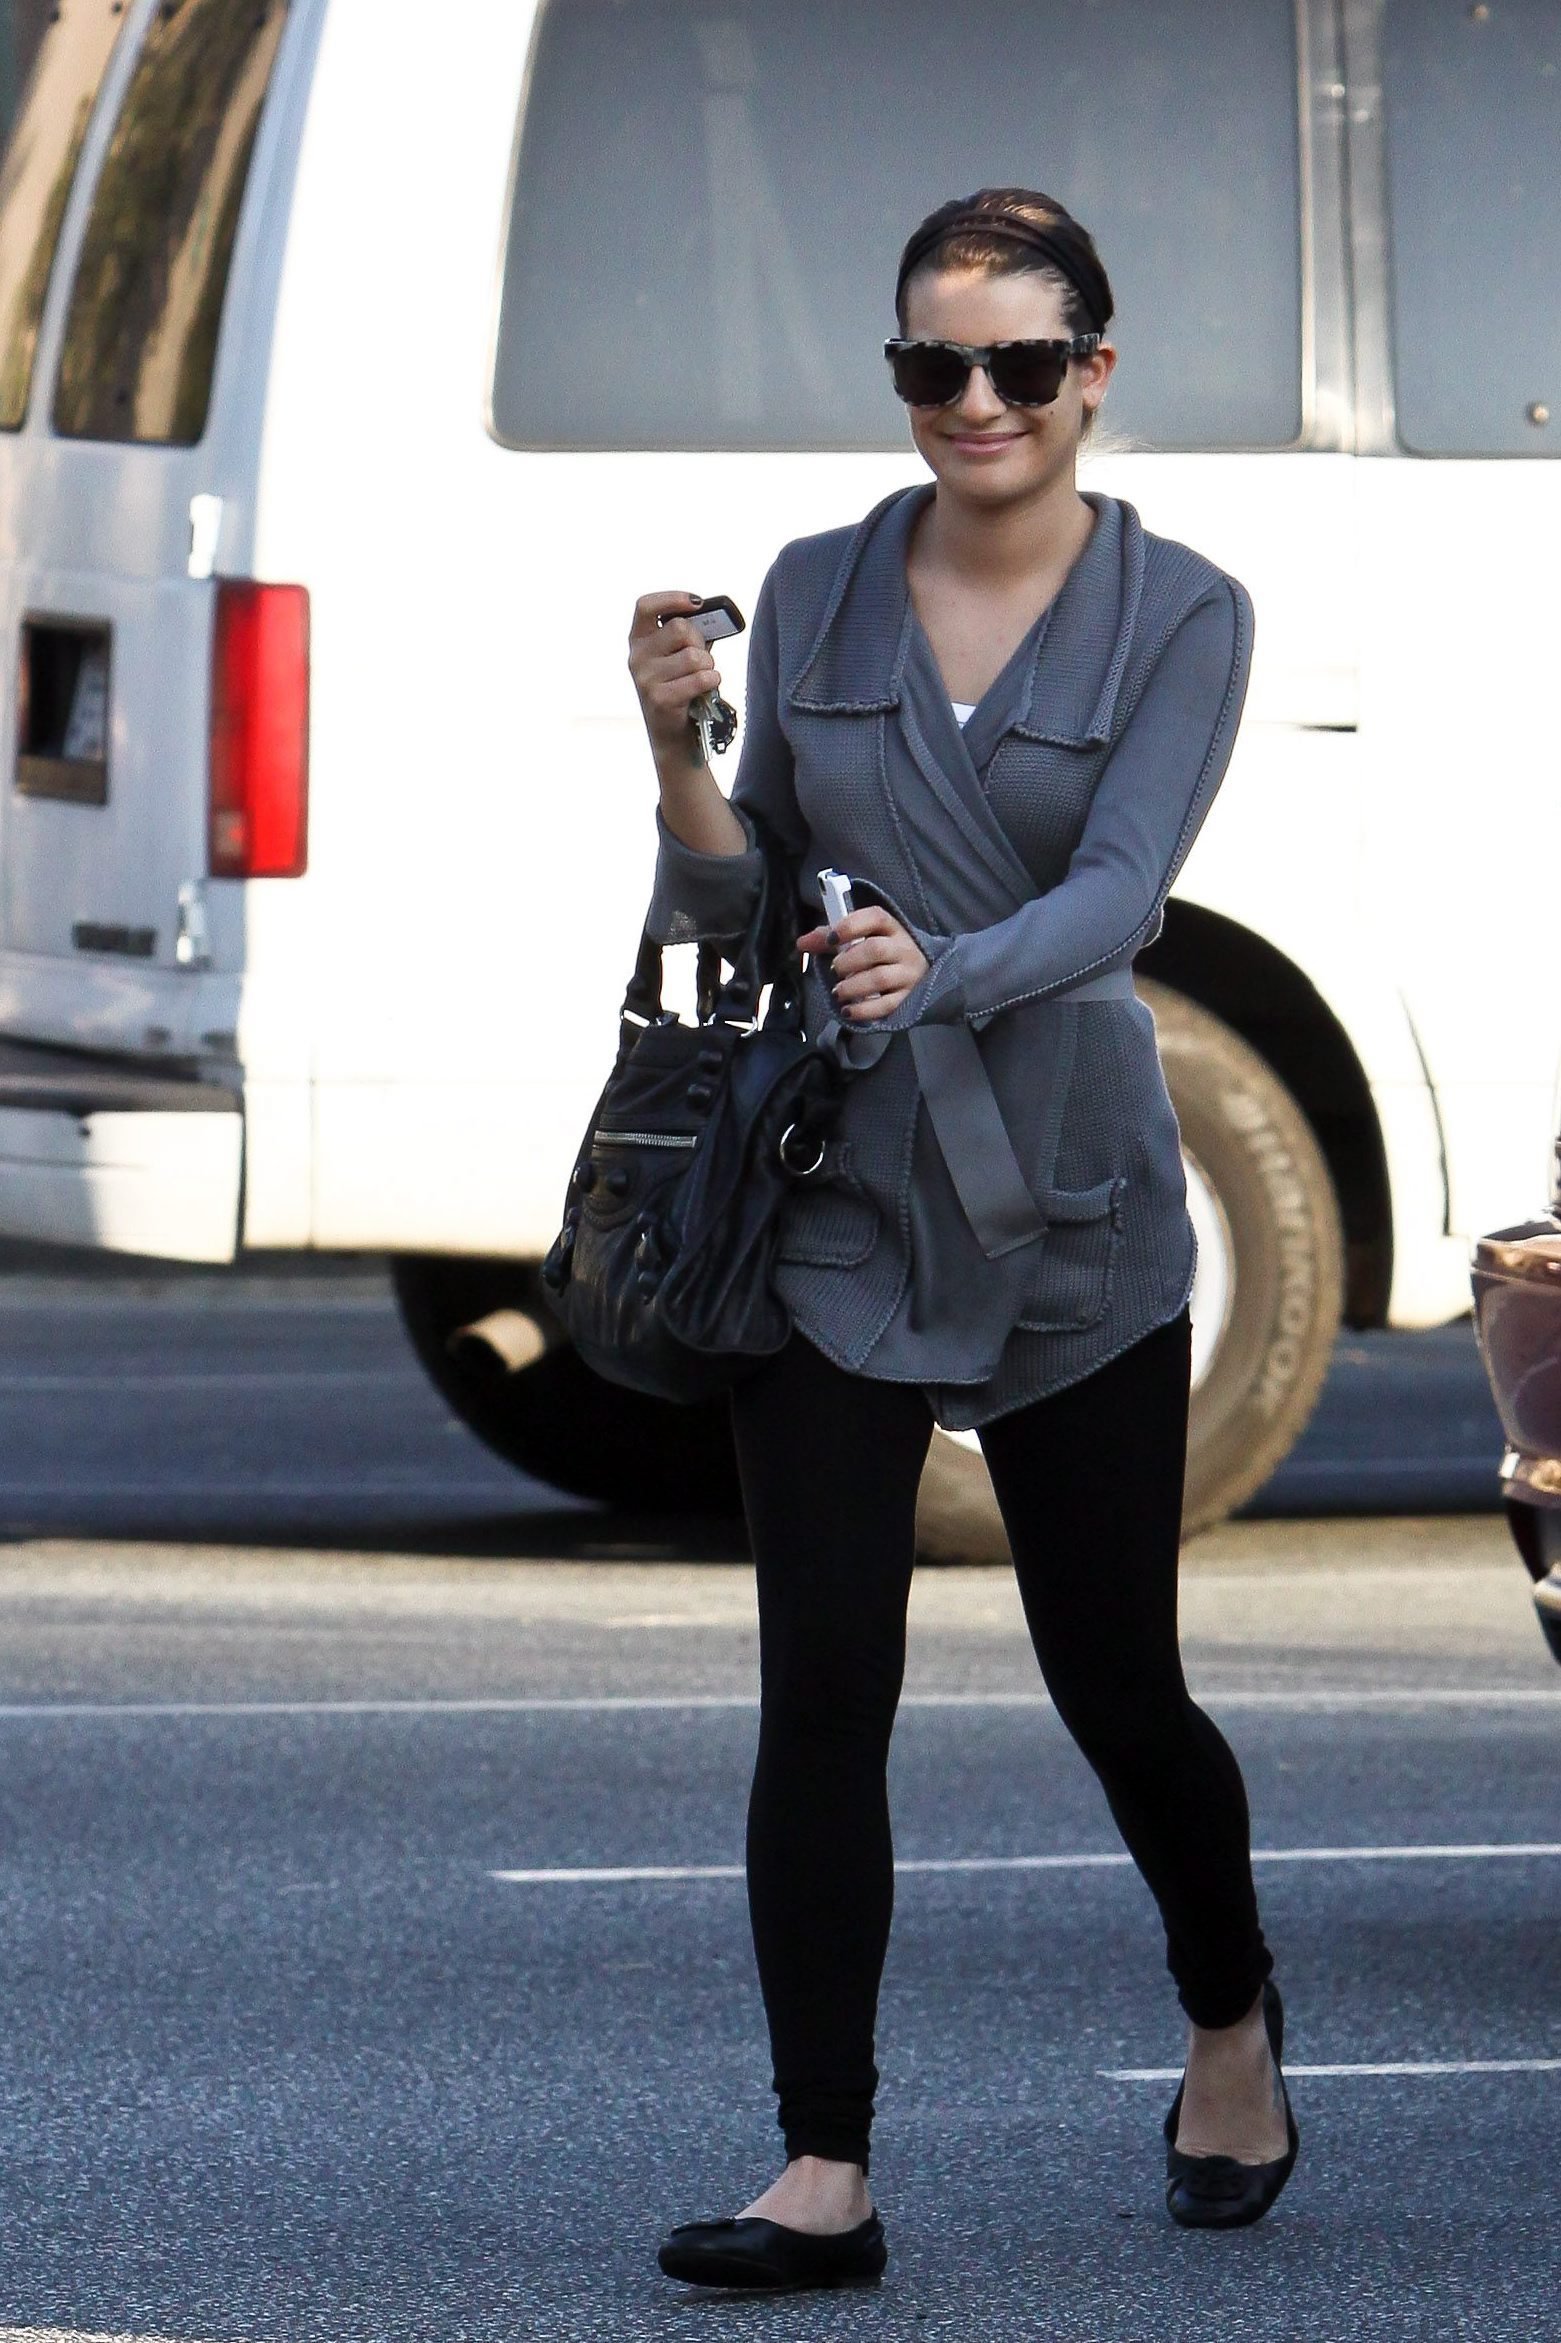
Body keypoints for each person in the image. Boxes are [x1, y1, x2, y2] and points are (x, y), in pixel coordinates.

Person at [627, 188, 1299, 2293]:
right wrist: (674, 749)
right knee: (824, 1684)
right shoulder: (814, 587)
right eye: (934, 362)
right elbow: (743, 899)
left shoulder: (1180, 611)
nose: (974, 400)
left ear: (1092, 372)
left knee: (1118, 1683)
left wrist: (950, 968)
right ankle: (820, 2165)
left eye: (1017, 361)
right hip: (835, 1196)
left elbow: (1124, 891)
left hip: (1069, 1208)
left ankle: (1228, 2013)